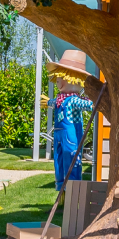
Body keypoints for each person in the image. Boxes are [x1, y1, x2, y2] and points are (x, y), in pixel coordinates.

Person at [43, 50, 97, 191]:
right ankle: (62, 193)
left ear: (75, 79)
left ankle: (72, 194)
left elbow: (88, 105)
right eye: (58, 78)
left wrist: (95, 102)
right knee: (59, 162)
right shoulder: (60, 100)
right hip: (59, 136)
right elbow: (54, 103)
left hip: (71, 138)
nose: (60, 82)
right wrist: (48, 102)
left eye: (63, 78)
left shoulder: (74, 100)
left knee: (72, 161)